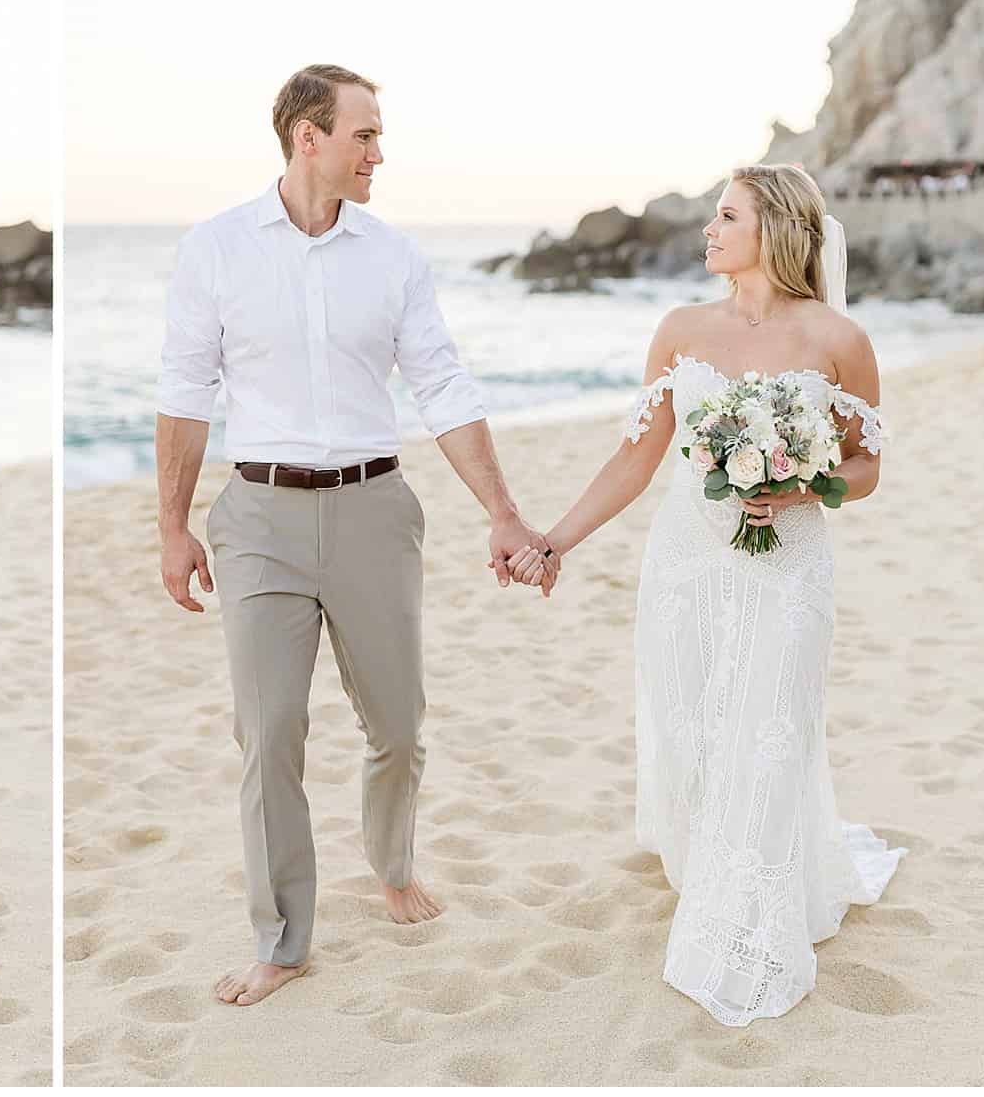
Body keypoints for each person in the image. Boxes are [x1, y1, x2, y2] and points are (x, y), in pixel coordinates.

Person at [155, 63, 552, 1008]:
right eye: (365, 135)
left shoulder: (394, 256)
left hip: (376, 510)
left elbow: (443, 386)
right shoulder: (213, 250)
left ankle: (393, 863)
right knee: (271, 733)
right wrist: (169, 526)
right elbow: (183, 392)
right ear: (308, 137)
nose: (380, 152)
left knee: (400, 726)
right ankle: (282, 940)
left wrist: (500, 508)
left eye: (377, 135)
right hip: (256, 517)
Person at [506, 163, 898, 1025]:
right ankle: (713, 866)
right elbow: (637, 458)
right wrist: (552, 540)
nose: (708, 231)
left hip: (789, 567)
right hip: (687, 561)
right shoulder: (680, 329)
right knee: (692, 728)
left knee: (767, 732)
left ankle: (748, 922)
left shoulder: (837, 339)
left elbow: (866, 465)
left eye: (726, 217)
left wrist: (805, 486)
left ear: (778, 229)